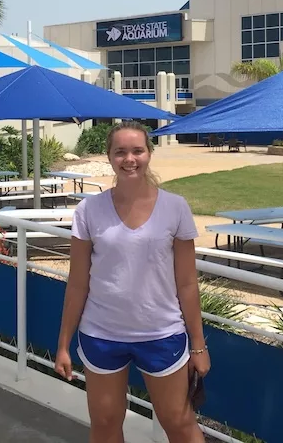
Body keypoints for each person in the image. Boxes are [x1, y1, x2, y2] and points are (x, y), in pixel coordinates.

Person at [55, 121, 209, 443]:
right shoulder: (88, 210)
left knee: (179, 423)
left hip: (161, 333)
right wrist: (63, 345)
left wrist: (198, 345)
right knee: (106, 424)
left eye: (137, 150)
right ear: (109, 157)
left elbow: (187, 284)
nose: (129, 159)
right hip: (101, 335)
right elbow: (78, 283)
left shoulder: (175, 207)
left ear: (149, 154)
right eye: (120, 152)